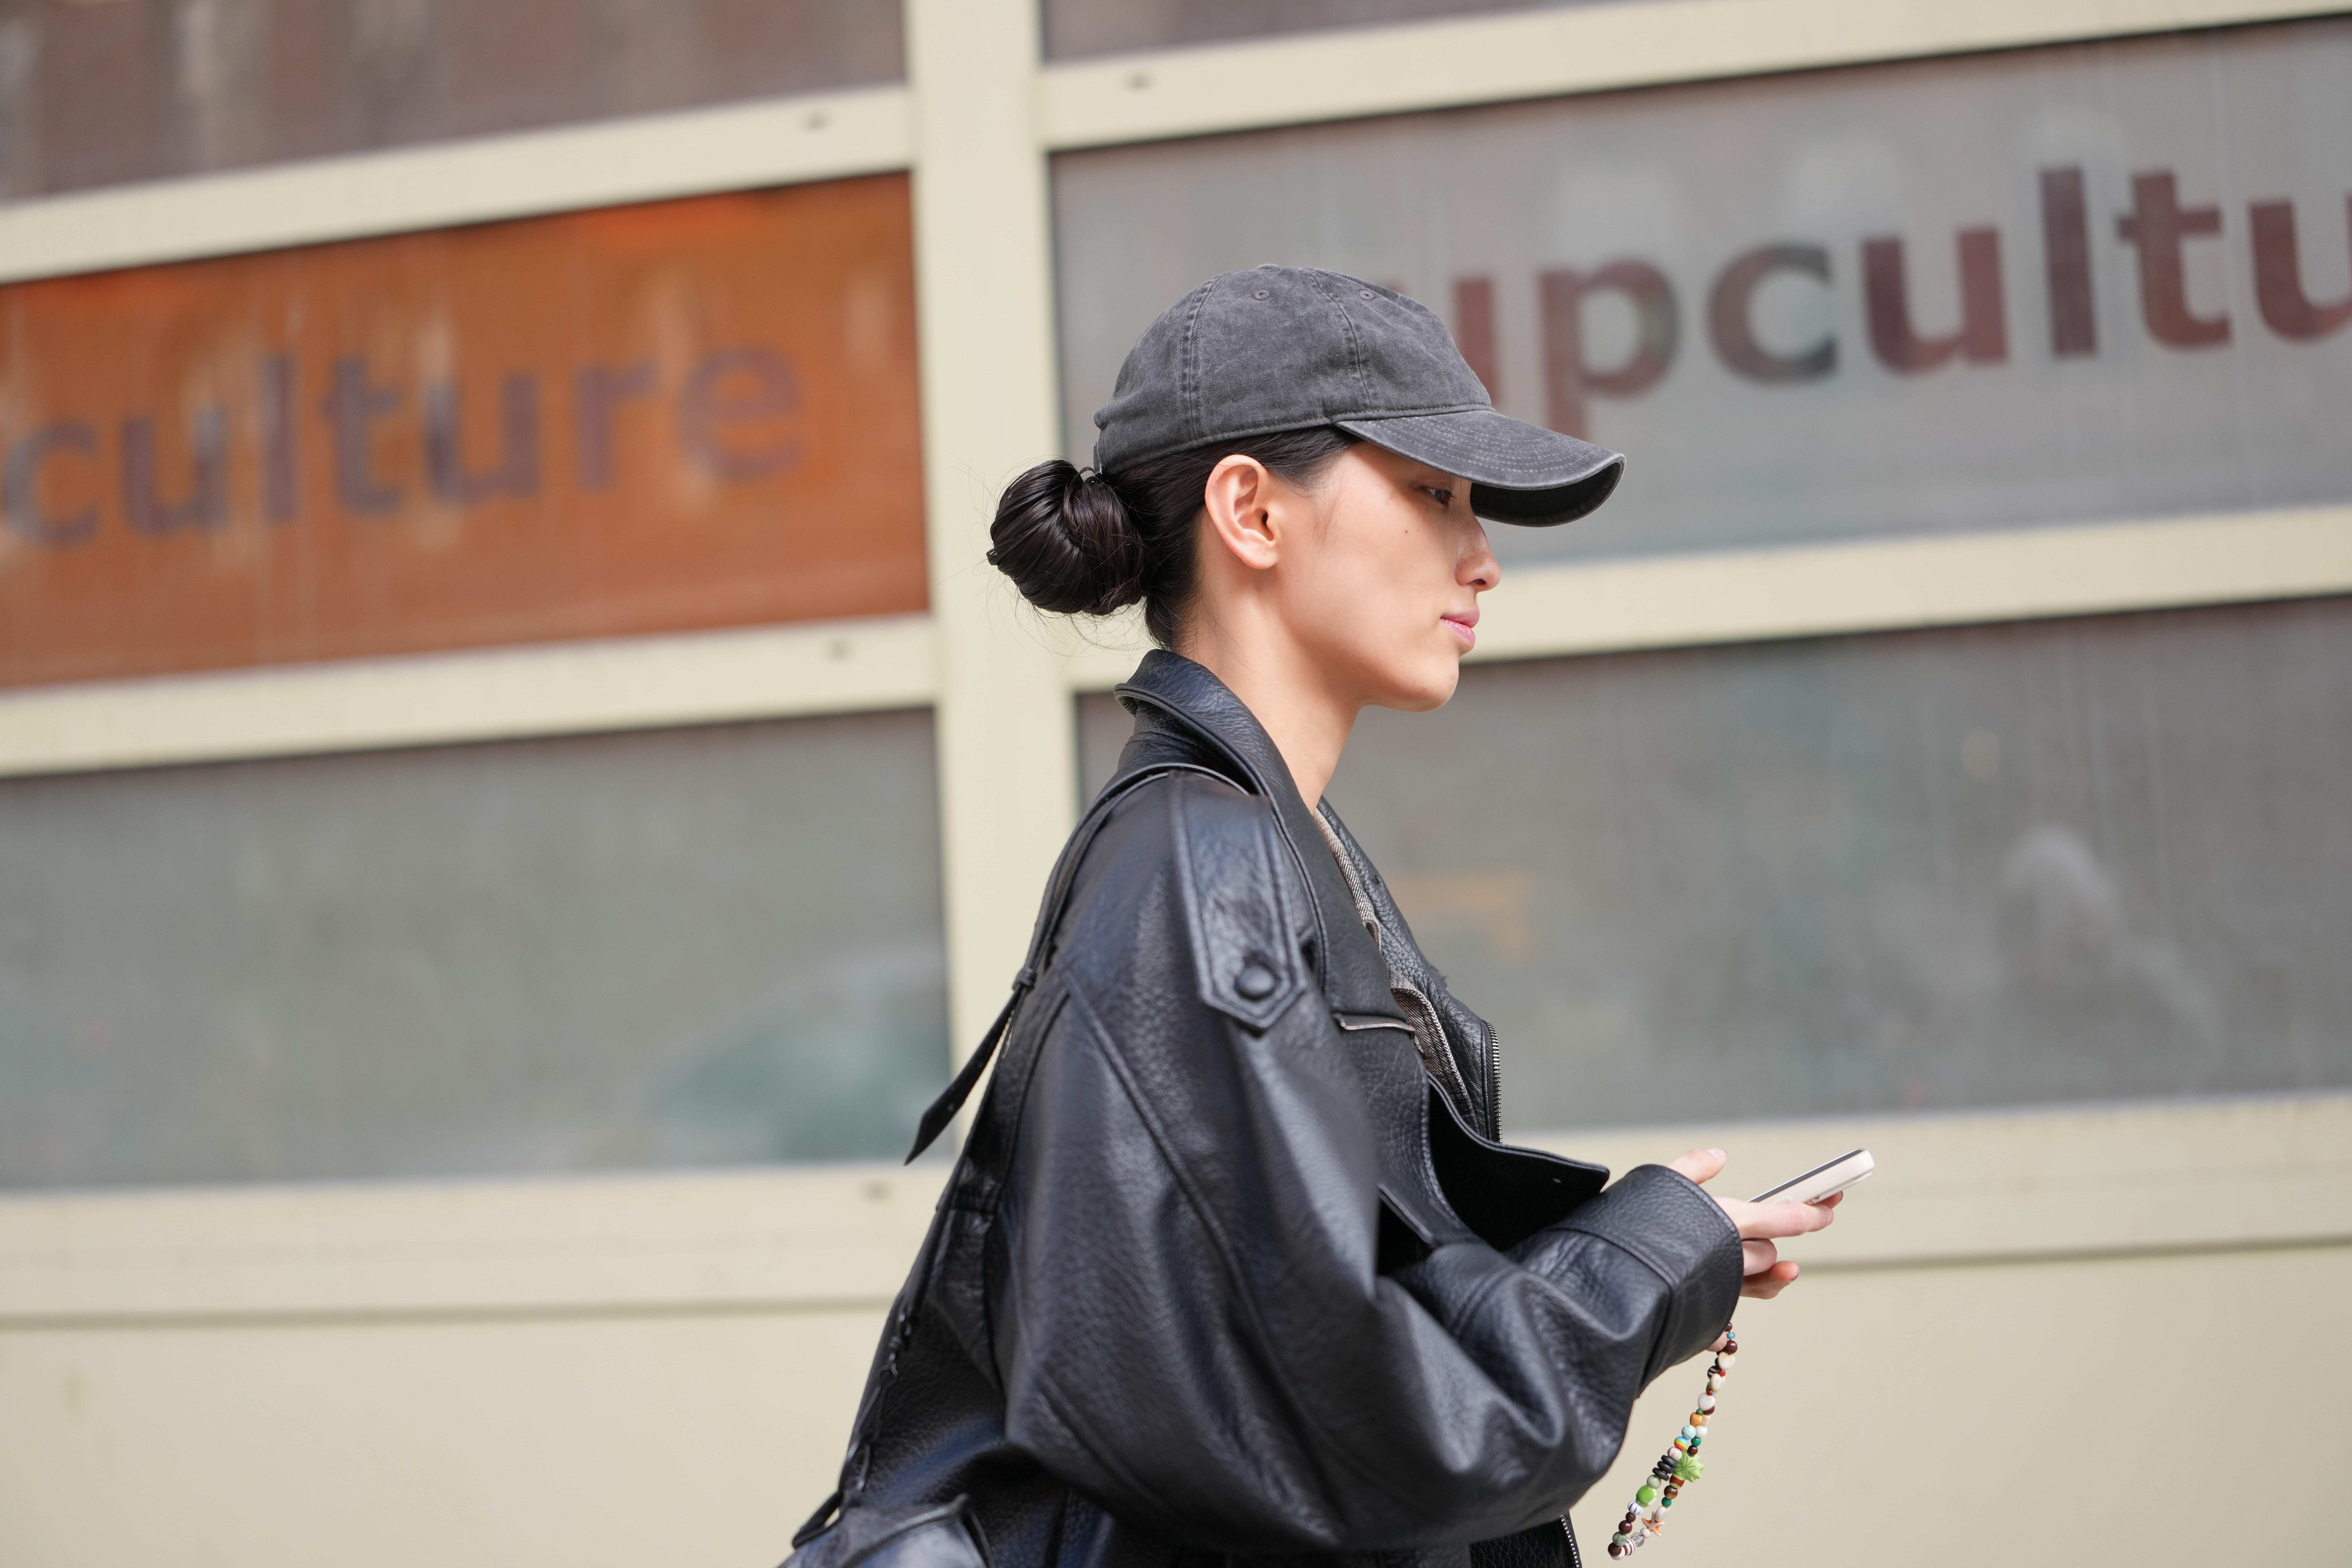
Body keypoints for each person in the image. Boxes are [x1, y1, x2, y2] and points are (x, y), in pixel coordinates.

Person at [783, 266, 1835, 1568]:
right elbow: (1345, 1428)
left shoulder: (1253, 839)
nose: (1484, 559)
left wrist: (1646, 1248)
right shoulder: (1203, 865)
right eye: (1432, 493)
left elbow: (1316, 1298)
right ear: (1252, 512)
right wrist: (1639, 1267)